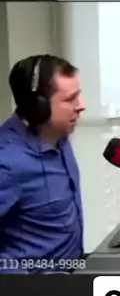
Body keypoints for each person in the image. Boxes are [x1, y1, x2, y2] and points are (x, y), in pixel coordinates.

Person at [0, 54, 86, 270]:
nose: (81, 106)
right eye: (70, 99)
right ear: (38, 107)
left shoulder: (59, 135)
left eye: (79, 96)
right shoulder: (7, 162)